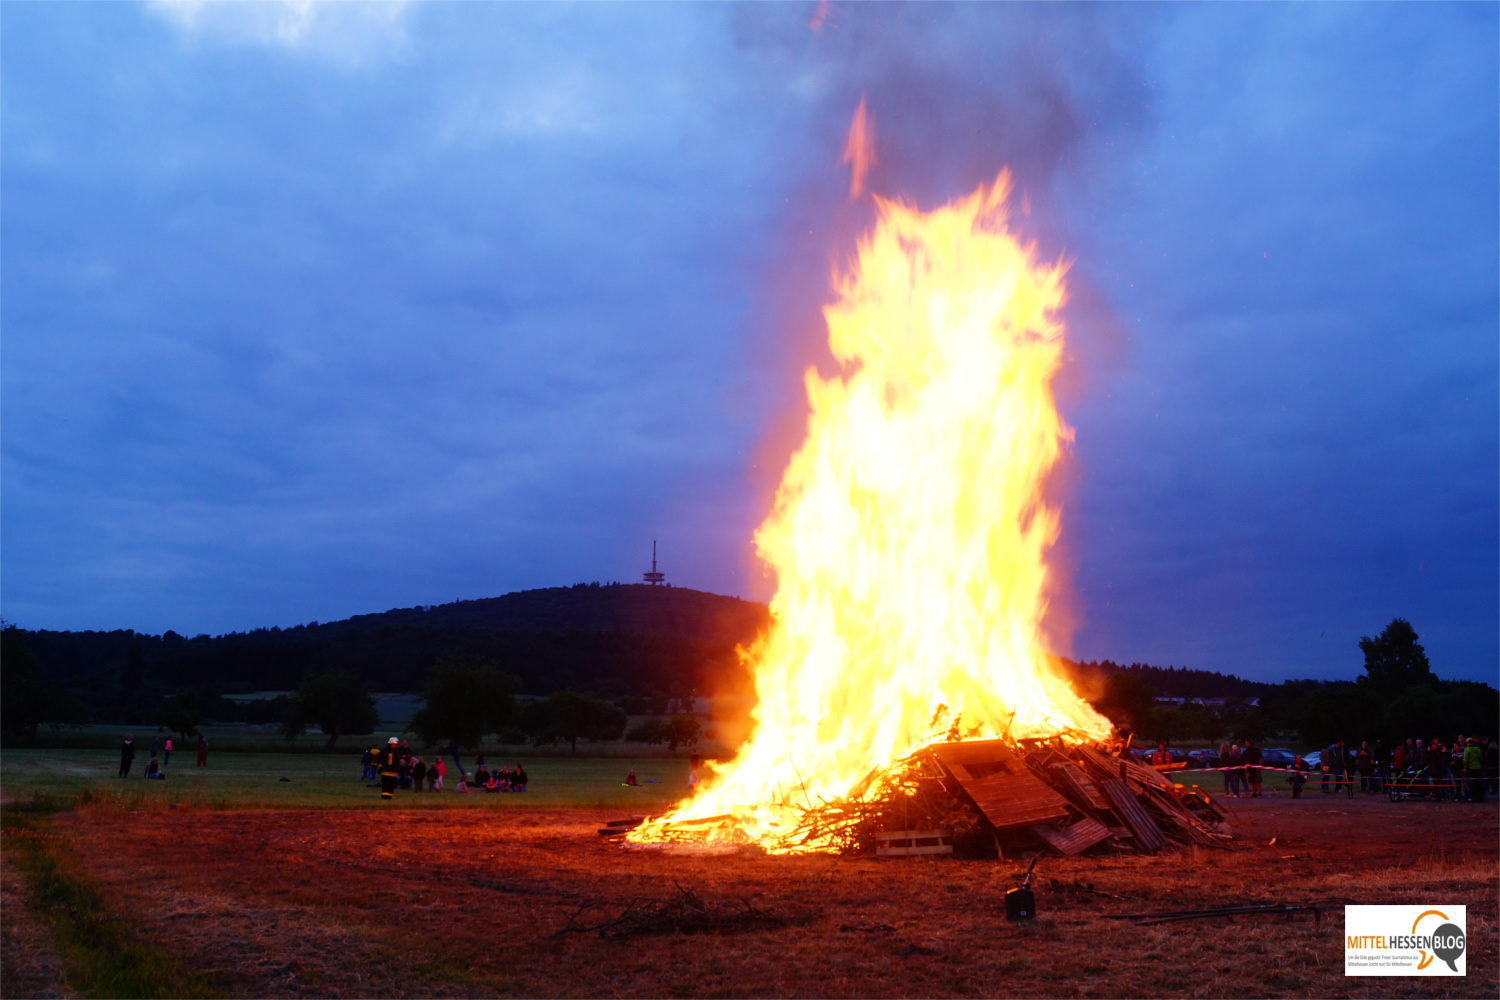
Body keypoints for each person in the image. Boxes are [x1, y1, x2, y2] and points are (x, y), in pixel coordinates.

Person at [1461, 738, 1484, 803]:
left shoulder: (1467, 750)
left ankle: (1473, 797)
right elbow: (1480, 758)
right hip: (1478, 767)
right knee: (1478, 783)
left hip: (1470, 768)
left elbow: (1465, 760)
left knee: (1471, 784)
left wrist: (1465, 767)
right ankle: (1480, 798)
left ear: (1467, 743)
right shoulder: (1478, 749)